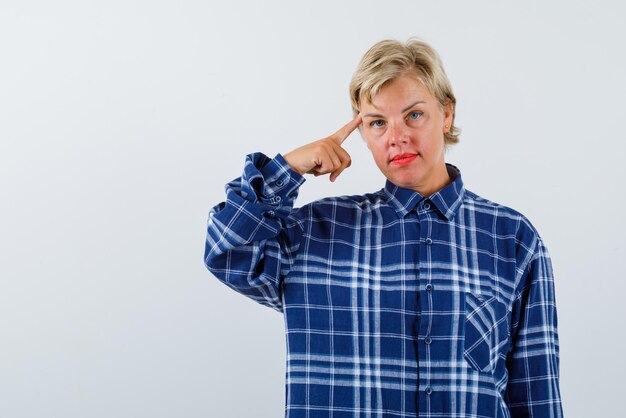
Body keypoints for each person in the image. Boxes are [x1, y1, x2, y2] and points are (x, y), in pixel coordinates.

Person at [204, 38, 563, 417]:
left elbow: (536, 395)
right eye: (377, 122)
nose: (397, 137)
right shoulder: (314, 234)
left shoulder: (512, 238)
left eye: (414, 115)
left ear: (446, 114)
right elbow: (227, 250)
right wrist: (288, 169)